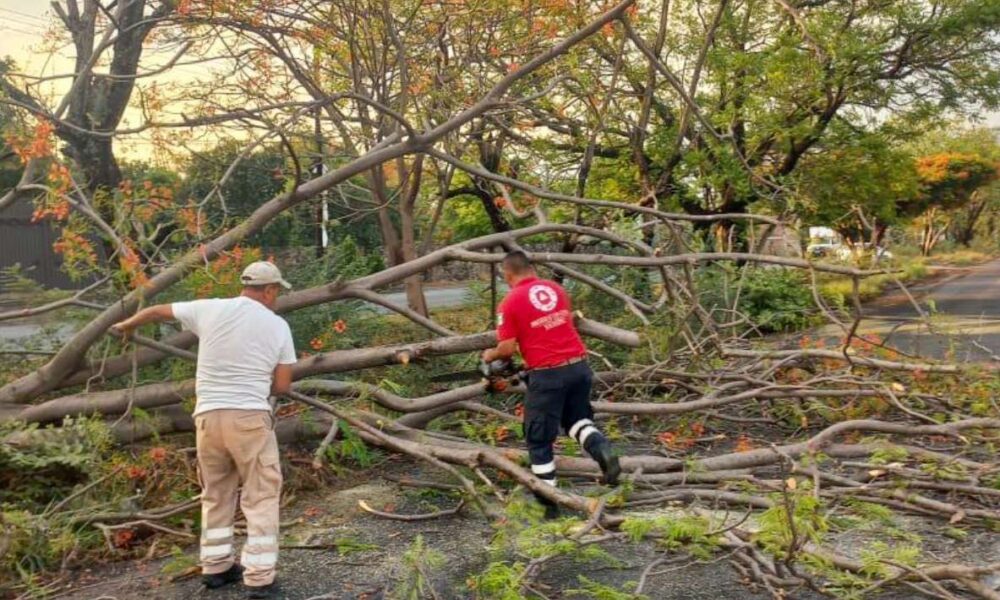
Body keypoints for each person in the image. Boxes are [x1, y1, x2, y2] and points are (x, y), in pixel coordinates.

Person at [111, 261, 296, 599]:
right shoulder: (278, 326)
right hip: (248, 419)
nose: (277, 297)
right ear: (269, 290)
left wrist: (126, 324)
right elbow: (282, 386)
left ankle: (216, 567)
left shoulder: (209, 309)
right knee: (260, 495)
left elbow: (155, 311)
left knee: (216, 492)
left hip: (208, 419)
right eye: (277, 291)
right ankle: (260, 578)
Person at [482, 251, 620, 518]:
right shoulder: (555, 289)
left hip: (549, 374)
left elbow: (507, 349)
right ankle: (602, 449)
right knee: (576, 420)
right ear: (531, 269)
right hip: (579, 366)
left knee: (538, 438)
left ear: (507, 274)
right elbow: (549, 329)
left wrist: (490, 355)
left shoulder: (509, 302)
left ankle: (548, 503)